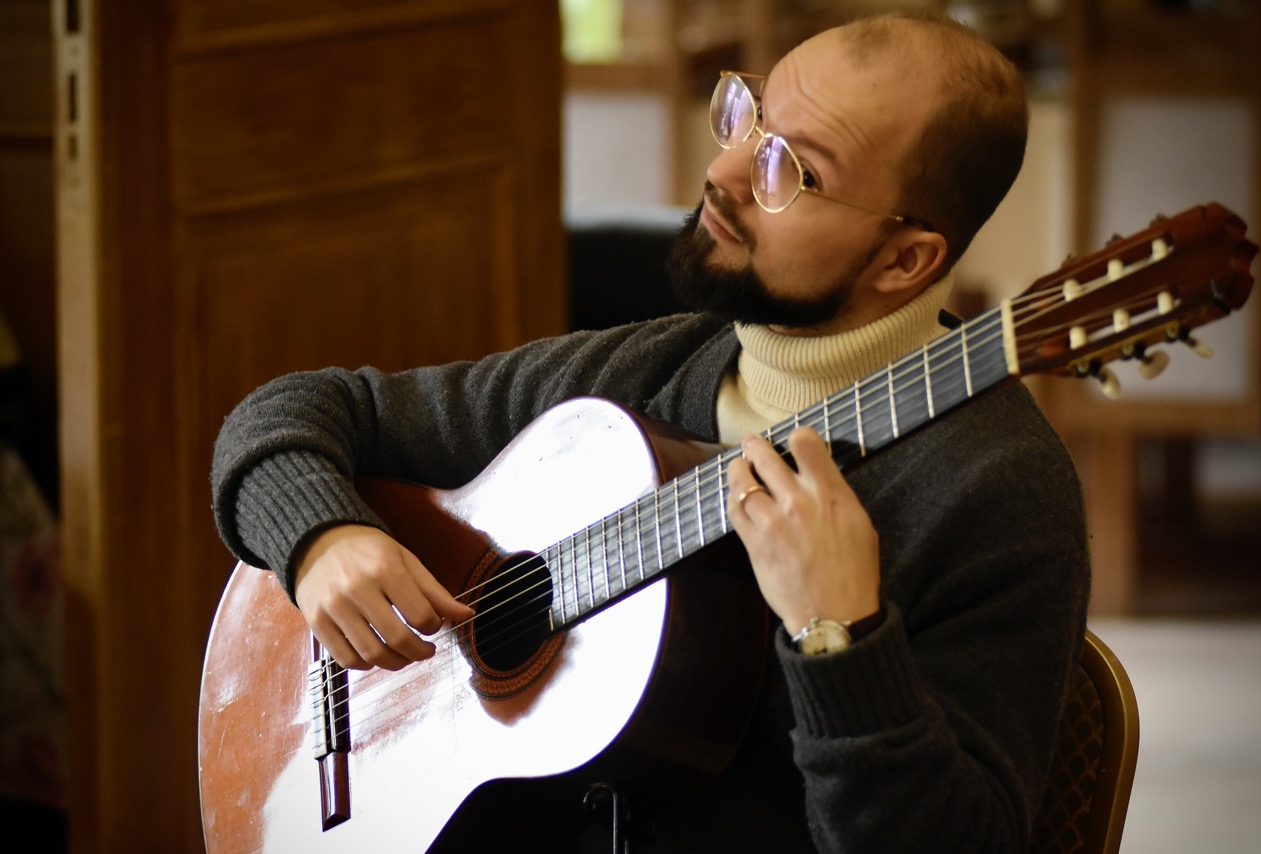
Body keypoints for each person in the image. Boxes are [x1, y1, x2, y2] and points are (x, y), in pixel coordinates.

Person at [211, 10, 1089, 853]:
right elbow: (296, 412)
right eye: (749, 116)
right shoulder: (649, 373)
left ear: (905, 259)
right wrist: (320, 537)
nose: (725, 170)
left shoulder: (999, 488)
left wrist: (840, 636)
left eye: (790, 169)